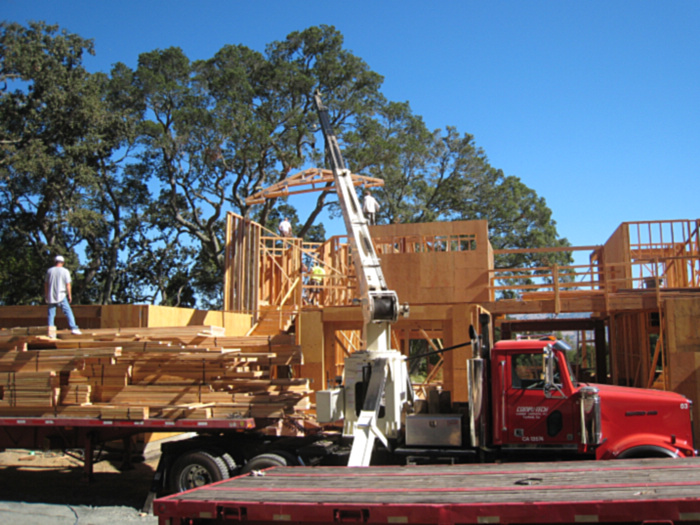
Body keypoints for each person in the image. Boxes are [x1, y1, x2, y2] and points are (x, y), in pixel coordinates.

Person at [45, 255, 81, 335]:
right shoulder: (65, 271)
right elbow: (68, 284)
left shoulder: (49, 271)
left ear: (55, 262)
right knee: (68, 312)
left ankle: (50, 331)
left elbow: (46, 284)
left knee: (51, 314)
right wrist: (69, 295)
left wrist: (46, 295)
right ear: (63, 263)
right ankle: (74, 328)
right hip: (61, 295)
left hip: (51, 295)